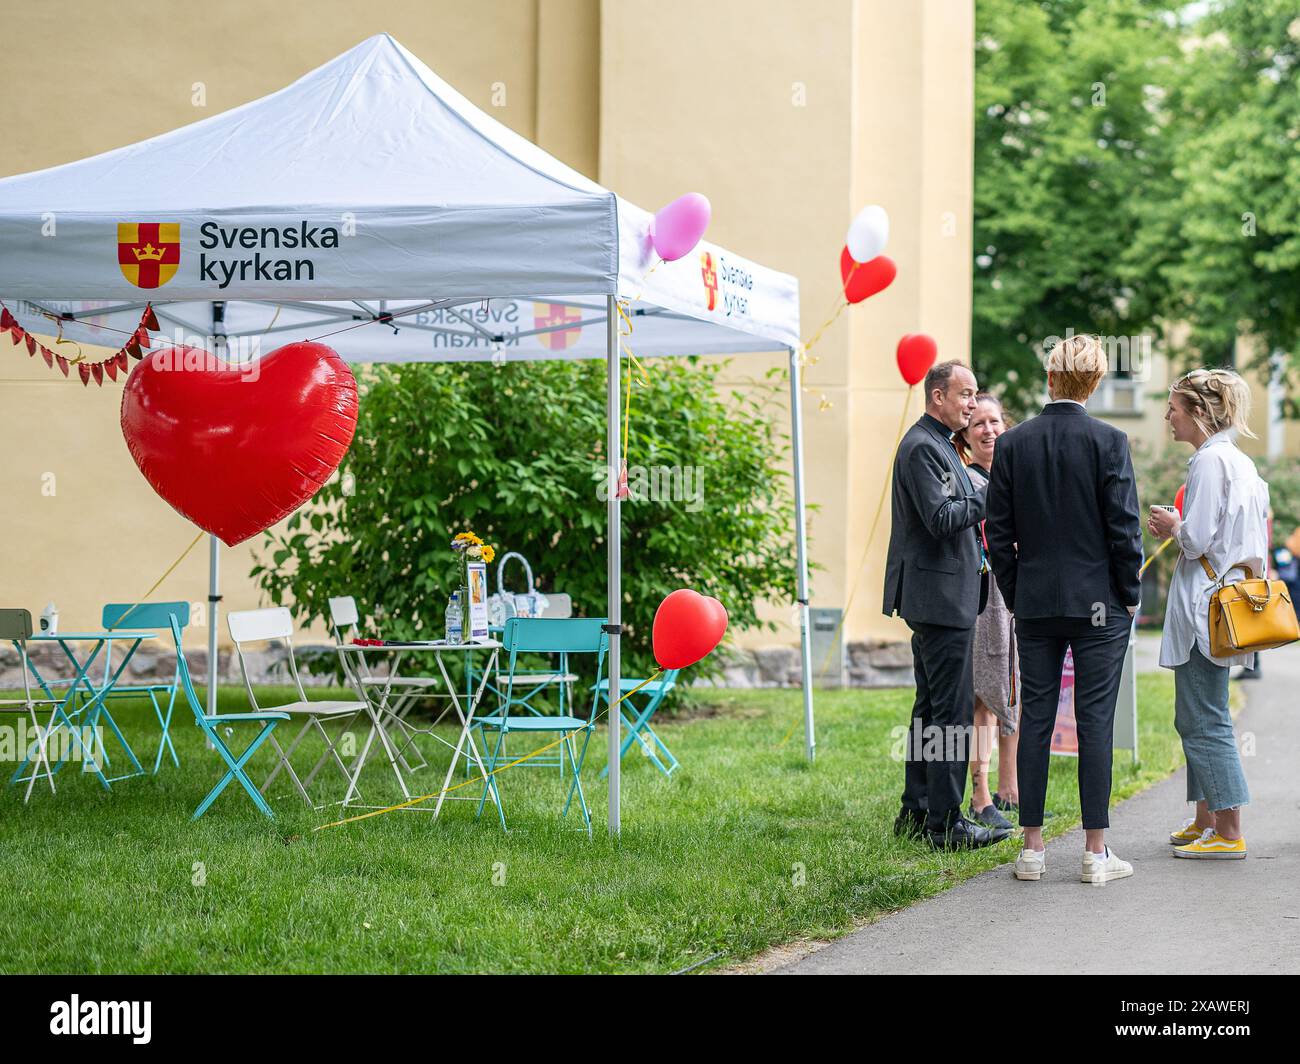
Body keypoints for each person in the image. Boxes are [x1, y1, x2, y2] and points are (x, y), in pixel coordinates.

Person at [985, 334, 1143, 884]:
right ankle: (1095, 853)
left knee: (1037, 717)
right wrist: (1130, 594)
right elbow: (1124, 528)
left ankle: (1031, 849)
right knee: (1095, 722)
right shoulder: (1111, 440)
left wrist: (1017, 586)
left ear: (1050, 378)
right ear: (1095, 384)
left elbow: (997, 534)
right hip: (1100, 604)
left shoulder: (1012, 444)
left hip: (1035, 604)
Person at [883, 360, 1010, 851]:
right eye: (966, 394)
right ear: (938, 396)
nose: (973, 404)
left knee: (929, 710)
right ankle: (946, 824)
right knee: (951, 714)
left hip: (945, 596)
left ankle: (916, 812)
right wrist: (994, 491)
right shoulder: (921, 448)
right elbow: (941, 517)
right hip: (938, 599)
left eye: (976, 394)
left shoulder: (940, 446)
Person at [1147, 368, 1267, 860]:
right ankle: (1206, 819)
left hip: (1206, 608)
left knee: (1204, 717)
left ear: (1199, 413)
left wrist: (1172, 523)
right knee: (1196, 713)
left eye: (1174, 409)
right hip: (1229, 602)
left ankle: (1228, 828)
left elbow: (1196, 540)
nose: (1167, 417)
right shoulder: (1240, 463)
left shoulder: (1208, 462)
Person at [954, 393, 1017, 832]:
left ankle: (1008, 790)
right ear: (965, 435)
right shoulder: (968, 481)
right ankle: (980, 794)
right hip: (984, 592)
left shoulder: (1013, 479)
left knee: (1013, 686)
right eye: (978, 423)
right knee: (982, 696)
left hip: (1015, 593)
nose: (989, 429)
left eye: (995, 421)